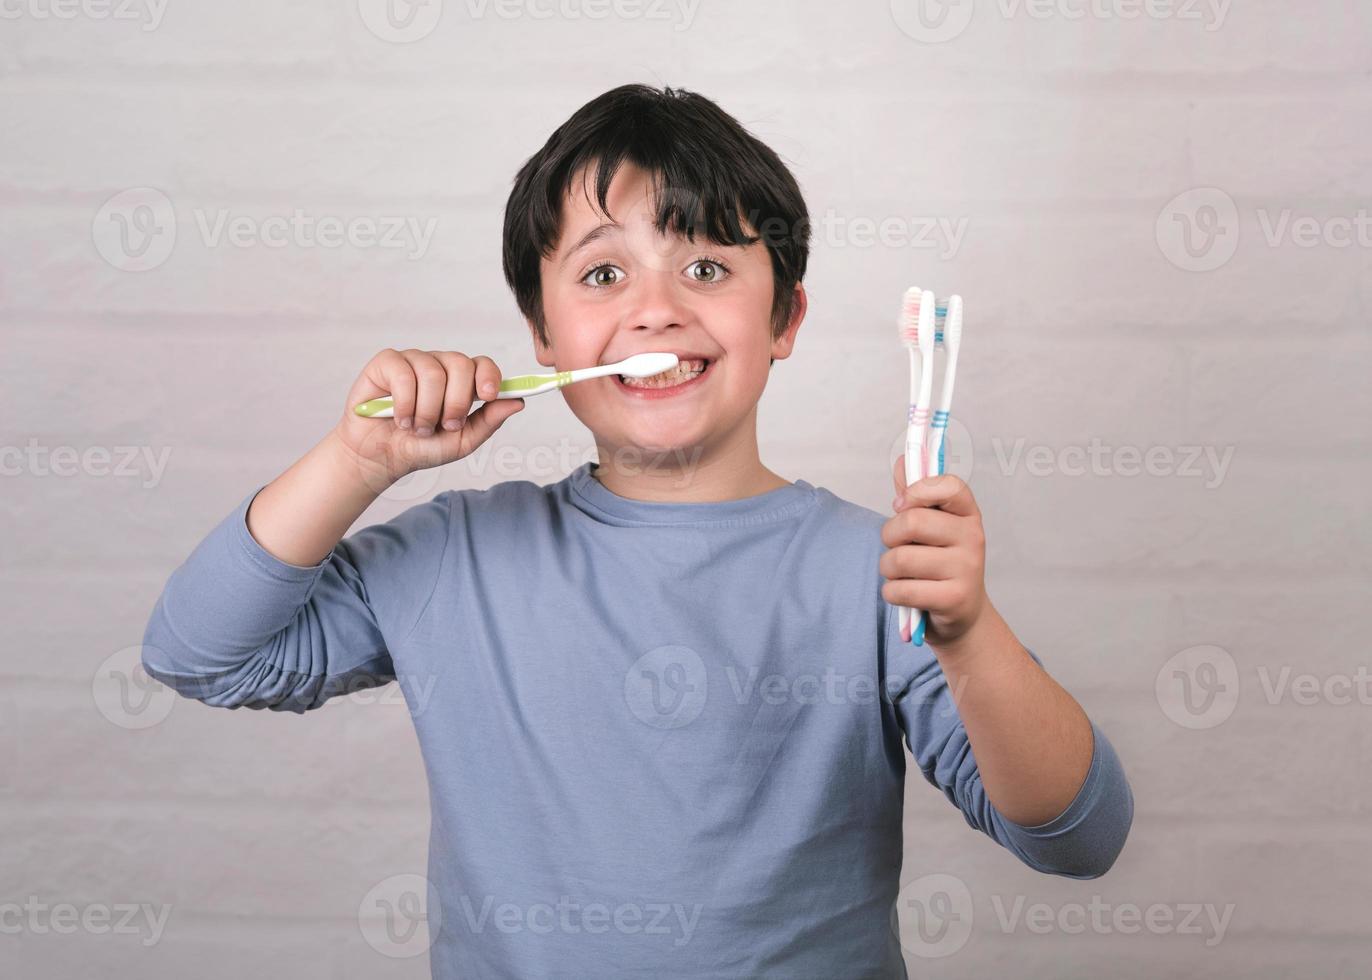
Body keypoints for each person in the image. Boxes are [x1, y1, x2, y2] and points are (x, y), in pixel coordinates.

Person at [142, 83, 1132, 979]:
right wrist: (357, 462)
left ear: (785, 317)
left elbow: (1076, 838)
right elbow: (200, 653)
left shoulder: (879, 573)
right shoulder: (456, 553)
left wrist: (967, 634)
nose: (655, 310)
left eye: (705, 263)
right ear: (541, 335)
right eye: (603, 276)